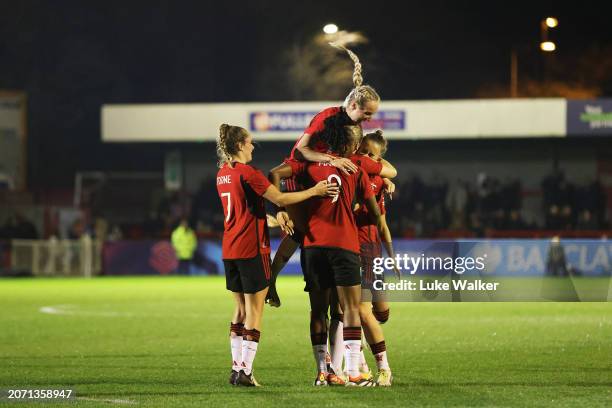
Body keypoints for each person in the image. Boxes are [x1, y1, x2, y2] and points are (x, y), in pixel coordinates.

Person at [216, 124, 338, 387]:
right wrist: (315, 191)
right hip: (252, 249)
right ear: (239, 145)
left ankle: (236, 368)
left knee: (238, 311)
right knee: (254, 312)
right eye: (249, 142)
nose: (252, 146)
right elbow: (280, 195)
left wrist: (272, 218)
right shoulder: (249, 173)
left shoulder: (223, 173)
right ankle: (246, 371)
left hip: (230, 249)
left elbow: (246, 209)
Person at [267, 43, 385, 307]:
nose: (368, 119)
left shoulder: (352, 126)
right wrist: (334, 159)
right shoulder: (328, 116)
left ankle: (333, 290)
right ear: (353, 104)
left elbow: (367, 162)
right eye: (366, 112)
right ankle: (270, 281)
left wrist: (383, 179)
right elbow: (302, 149)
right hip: (302, 174)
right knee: (300, 232)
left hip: (326, 174)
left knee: (323, 227)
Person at [270, 124, 385, 386]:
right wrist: (378, 212)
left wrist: (281, 207)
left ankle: (324, 371)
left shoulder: (306, 166)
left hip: (312, 246)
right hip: (344, 245)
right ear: (350, 145)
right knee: (349, 308)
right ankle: (354, 370)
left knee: (318, 311)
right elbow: (375, 206)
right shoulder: (355, 166)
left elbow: (274, 172)